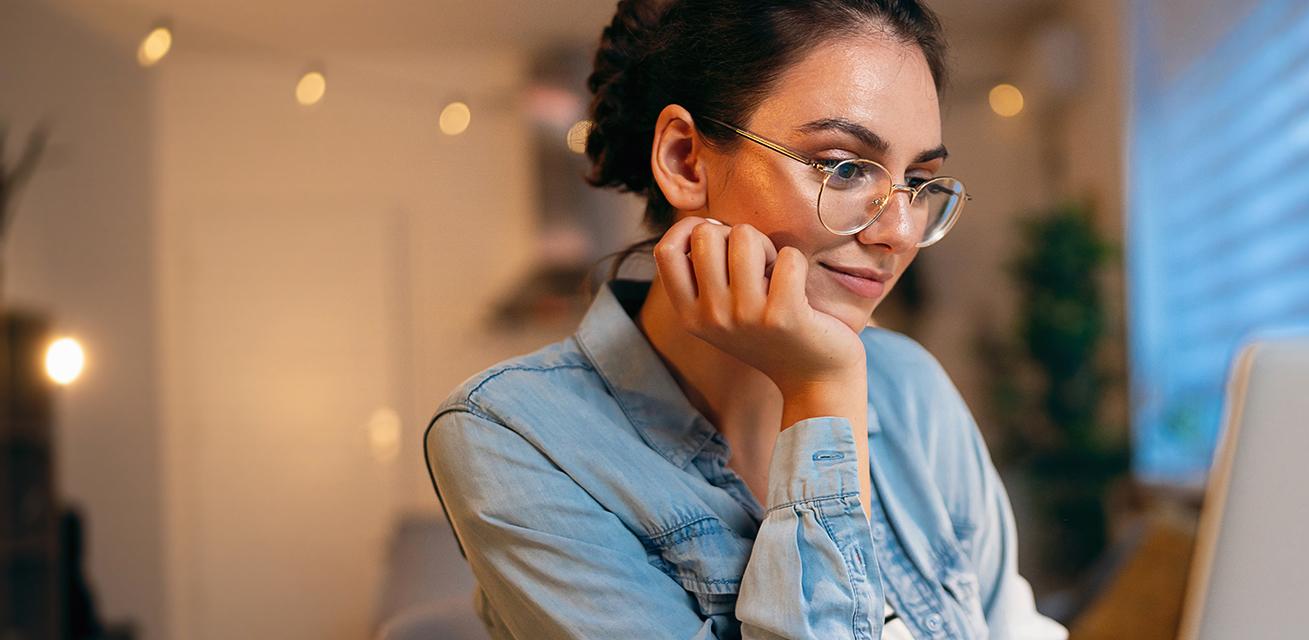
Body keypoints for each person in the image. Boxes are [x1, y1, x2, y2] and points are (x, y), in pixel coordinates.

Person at [423, 1, 1068, 637]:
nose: (900, 232)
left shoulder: (910, 389)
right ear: (685, 160)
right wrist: (822, 393)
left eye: (920, 179)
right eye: (843, 167)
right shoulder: (516, 438)